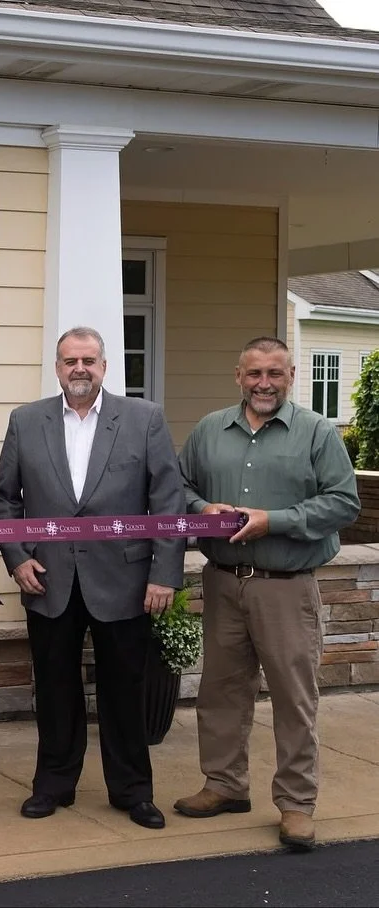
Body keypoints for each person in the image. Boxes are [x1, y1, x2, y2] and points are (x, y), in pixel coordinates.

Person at [0, 326, 185, 830]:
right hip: (48, 580)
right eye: (69, 360)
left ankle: (133, 791)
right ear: (57, 367)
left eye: (89, 360)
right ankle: (54, 784)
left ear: (104, 366)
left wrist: (164, 574)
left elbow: (168, 501)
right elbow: (4, 499)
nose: (79, 368)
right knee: (54, 688)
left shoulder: (144, 419)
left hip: (123, 580)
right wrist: (16, 557)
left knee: (125, 690)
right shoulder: (26, 421)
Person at [174, 336, 359, 851]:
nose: (264, 384)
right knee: (220, 692)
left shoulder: (318, 432)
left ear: (291, 375)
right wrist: (201, 508)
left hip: (286, 587)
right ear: (239, 376)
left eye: (274, 374)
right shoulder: (211, 430)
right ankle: (224, 784)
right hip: (224, 581)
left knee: (293, 699)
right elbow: (177, 487)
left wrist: (273, 522)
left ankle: (297, 804)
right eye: (255, 374)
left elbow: (343, 503)